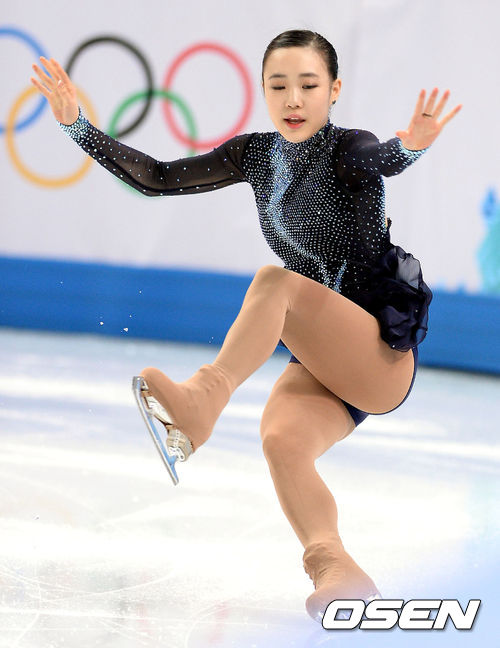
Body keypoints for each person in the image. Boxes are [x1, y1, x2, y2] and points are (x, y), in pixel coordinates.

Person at [30, 29, 461, 624]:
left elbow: (381, 157)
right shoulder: (255, 155)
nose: (293, 99)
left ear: (334, 90)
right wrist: (77, 126)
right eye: (278, 86)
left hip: (376, 355)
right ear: (262, 90)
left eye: (308, 85)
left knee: (274, 284)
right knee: (283, 441)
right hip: (325, 359)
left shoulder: (348, 149)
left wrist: (409, 146)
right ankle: (335, 567)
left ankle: (204, 399)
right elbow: (158, 177)